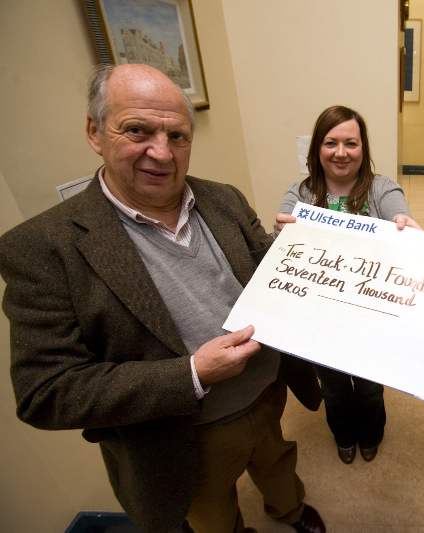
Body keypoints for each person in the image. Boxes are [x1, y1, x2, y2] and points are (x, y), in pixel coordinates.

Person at [0, 64, 326, 533]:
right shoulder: (41, 248)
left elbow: (265, 273)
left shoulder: (224, 198)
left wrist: (312, 250)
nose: (161, 153)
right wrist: (191, 374)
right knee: (214, 517)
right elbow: (46, 392)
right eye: (137, 130)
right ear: (95, 132)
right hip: (181, 436)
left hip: (269, 395)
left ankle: (289, 510)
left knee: (278, 465)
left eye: (178, 136)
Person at [274, 105, 420, 465]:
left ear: (363, 148)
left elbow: (399, 213)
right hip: (320, 318)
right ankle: (344, 434)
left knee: (370, 388)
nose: (341, 153)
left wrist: (403, 223)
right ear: (317, 150)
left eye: (350, 143)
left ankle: (371, 433)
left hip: (370, 315)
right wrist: (278, 236)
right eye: (331, 143)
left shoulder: (382, 189)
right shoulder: (299, 194)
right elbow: (278, 254)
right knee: (335, 388)